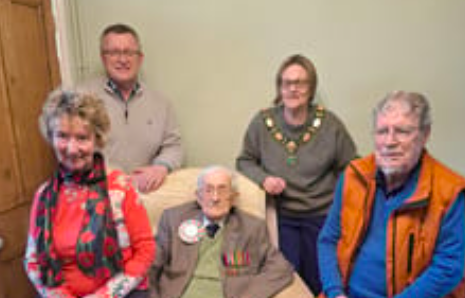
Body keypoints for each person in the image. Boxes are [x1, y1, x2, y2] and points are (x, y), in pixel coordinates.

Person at [317, 91, 465, 298]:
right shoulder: (354, 175)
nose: (389, 141)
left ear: (425, 134)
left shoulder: (451, 191)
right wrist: (335, 292)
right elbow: (328, 240)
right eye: (382, 131)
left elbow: (449, 267)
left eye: (403, 131)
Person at [236, 54, 357, 294]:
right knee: (286, 283)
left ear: (311, 88)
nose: (293, 89)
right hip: (281, 217)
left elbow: (351, 166)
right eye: (287, 82)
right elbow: (244, 161)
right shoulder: (262, 122)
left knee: (320, 281)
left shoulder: (330, 124)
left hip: (322, 217)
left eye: (300, 83)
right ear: (279, 88)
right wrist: (264, 179)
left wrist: (342, 203)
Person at [24, 89, 156, 298]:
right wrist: (59, 295)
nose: (72, 148)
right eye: (62, 136)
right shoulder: (44, 196)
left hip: (123, 293)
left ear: (97, 140)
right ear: (51, 137)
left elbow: (146, 250)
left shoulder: (120, 188)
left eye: (82, 138)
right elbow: (32, 261)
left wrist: (103, 296)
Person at [149, 165, 294, 298]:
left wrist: (250, 294)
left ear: (233, 197)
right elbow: (150, 265)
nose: (215, 198)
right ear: (198, 197)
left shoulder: (252, 227)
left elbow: (281, 269)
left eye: (222, 190)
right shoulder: (173, 219)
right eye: (208, 190)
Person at [78, 23, 183, 193]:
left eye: (129, 52)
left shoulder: (161, 103)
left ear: (140, 58)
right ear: (103, 58)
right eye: (114, 52)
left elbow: (174, 146)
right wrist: (113, 179)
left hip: (147, 195)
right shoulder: (81, 99)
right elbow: (73, 149)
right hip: (99, 194)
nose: (122, 59)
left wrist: (160, 168)